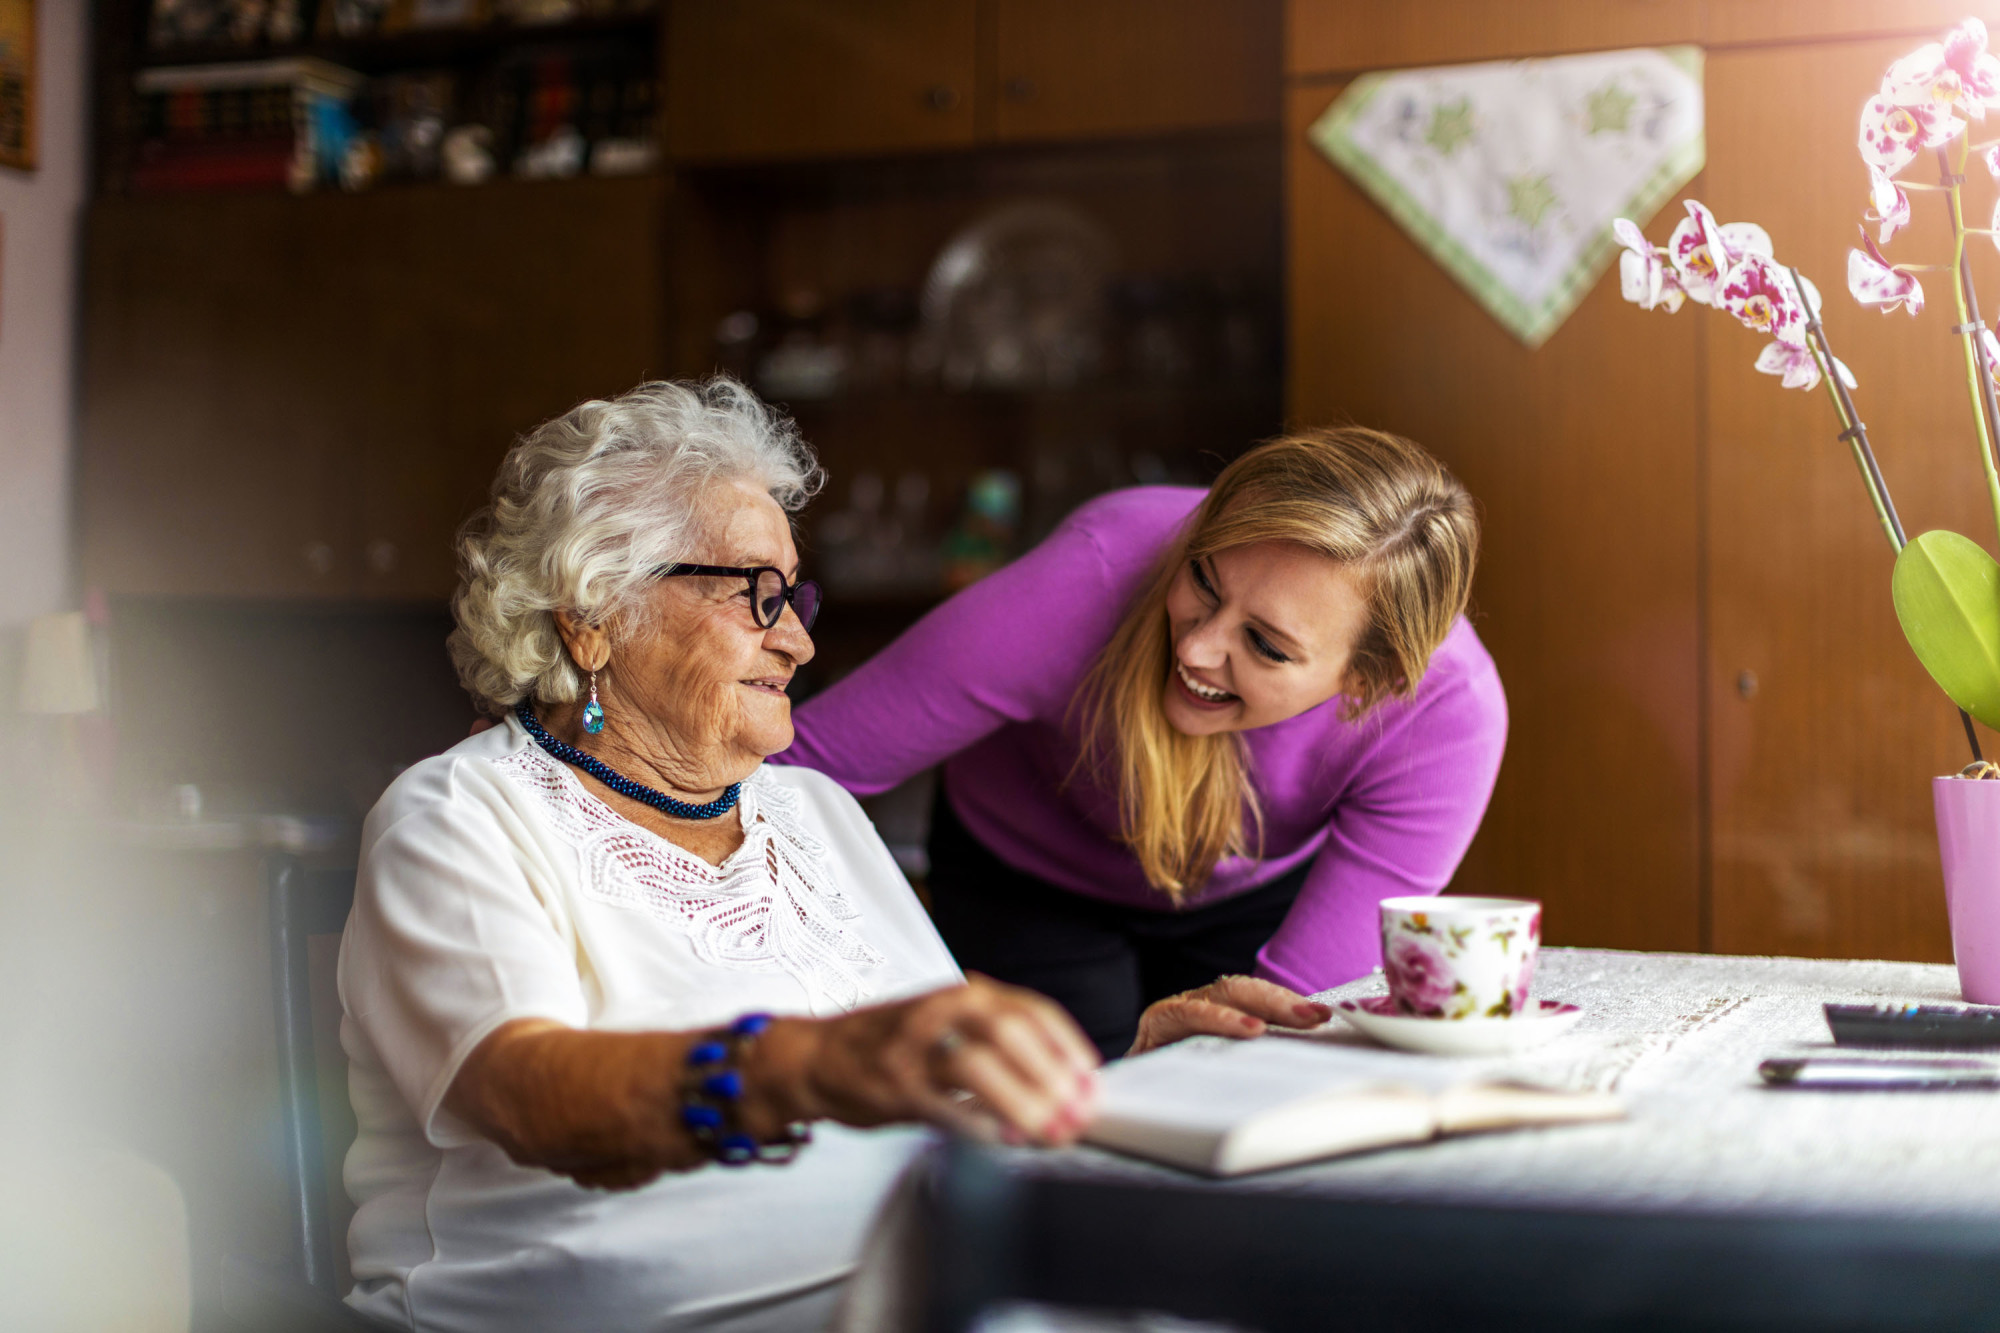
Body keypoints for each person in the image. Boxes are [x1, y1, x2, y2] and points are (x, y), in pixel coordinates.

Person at [338, 379, 1329, 1333]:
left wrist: (1113, 1079)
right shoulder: (461, 814)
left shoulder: (810, 811)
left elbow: (933, 1090)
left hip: (914, 1294)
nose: (799, 647)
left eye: (792, 599)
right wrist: (809, 1063)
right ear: (595, 619)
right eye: (753, 597)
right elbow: (529, 1093)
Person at [779, 427, 1507, 1058]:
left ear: (1369, 681)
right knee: (1050, 1132)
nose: (1196, 647)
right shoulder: (1091, 574)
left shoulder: (1447, 716)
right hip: (1026, 873)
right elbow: (792, 766)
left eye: (1264, 644)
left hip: (1252, 892)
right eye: (1203, 579)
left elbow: (1293, 1026)